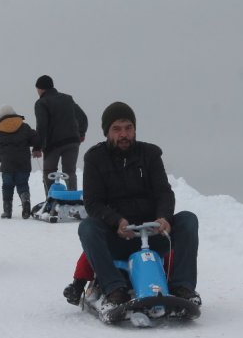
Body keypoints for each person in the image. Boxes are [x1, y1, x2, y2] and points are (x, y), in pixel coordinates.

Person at [77, 102, 201, 313]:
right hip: (118, 237)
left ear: (135, 129)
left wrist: (163, 218)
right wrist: (117, 221)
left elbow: (164, 192)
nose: (124, 134)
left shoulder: (150, 154)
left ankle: (182, 288)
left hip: (152, 233)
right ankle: (114, 289)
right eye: (117, 129)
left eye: (128, 128)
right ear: (107, 132)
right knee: (88, 228)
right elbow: (92, 202)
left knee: (188, 219)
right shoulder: (95, 158)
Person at [33, 75, 87, 195]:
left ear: (41, 89)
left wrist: (37, 147)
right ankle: (73, 202)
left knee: (49, 172)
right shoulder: (68, 99)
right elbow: (82, 117)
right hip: (72, 141)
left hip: (53, 144)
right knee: (70, 172)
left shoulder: (41, 103)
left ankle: (50, 202)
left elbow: (42, 126)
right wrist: (81, 133)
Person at [0, 104, 41, 219]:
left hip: (7, 164)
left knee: (7, 186)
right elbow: (36, 138)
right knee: (23, 184)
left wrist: (2, 159)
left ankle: (7, 211)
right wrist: (36, 148)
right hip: (23, 163)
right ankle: (26, 204)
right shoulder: (24, 126)